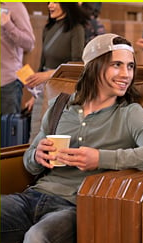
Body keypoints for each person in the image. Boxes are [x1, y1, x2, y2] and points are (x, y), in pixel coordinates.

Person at [0, 33, 143, 243]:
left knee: (37, 238)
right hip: (33, 196)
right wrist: (36, 154)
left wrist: (101, 159)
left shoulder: (130, 113)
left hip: (76, 207)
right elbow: (28, 162)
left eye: (130, 67)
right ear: (95, 66)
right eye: (117, 65)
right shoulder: (59, 106)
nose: (126, 74)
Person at [25, 2, 89, 142]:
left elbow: (78, 65)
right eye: (49, 2)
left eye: (55, 2)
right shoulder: (48, 28)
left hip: (62, 90)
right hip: (43, 89)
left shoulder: (76, 29)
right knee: (35, 136)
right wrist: (34, 96)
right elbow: (42, 64)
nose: (50, 5)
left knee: (55, 136)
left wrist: (48, 75)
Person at [0, 2, 35, 115]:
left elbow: (29, 43)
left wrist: (8, 25)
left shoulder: (15, 6)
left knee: (7, 131)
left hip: (6, 84)